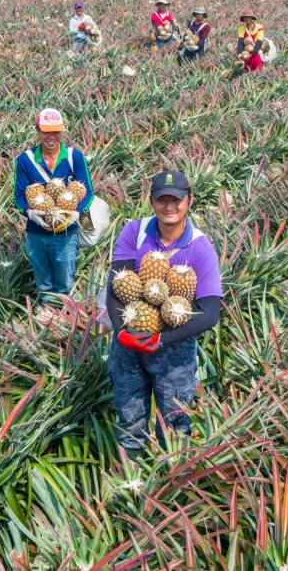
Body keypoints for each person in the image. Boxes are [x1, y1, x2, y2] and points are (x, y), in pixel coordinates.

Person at [105, 170, 223, 457]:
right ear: (152, 201)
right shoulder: (135, 230)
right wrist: (123, 333)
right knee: (129, 415)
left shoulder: (200, 247)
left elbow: (209, 314)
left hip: (174, 346)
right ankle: (130, 474)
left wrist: (160, 338)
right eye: (162, 200)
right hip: (129, 340)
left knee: (174, 420)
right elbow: (115, 287)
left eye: (176, 199)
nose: (169, 206)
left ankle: (171, 480)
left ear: (189, 200)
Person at [14, 108, 94, 308]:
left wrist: (77, 213)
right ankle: (47, 309)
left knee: (65, 275)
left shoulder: (75, 157)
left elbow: (88, 193)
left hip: (66, 232)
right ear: (38, 131)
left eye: (56, 131)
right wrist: (30, 213)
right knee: (42, 277)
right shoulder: (25, 160)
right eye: (46, 131)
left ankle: (67, 313)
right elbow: (19, 196)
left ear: (62, 132)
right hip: (36, 232)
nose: (51, 136)